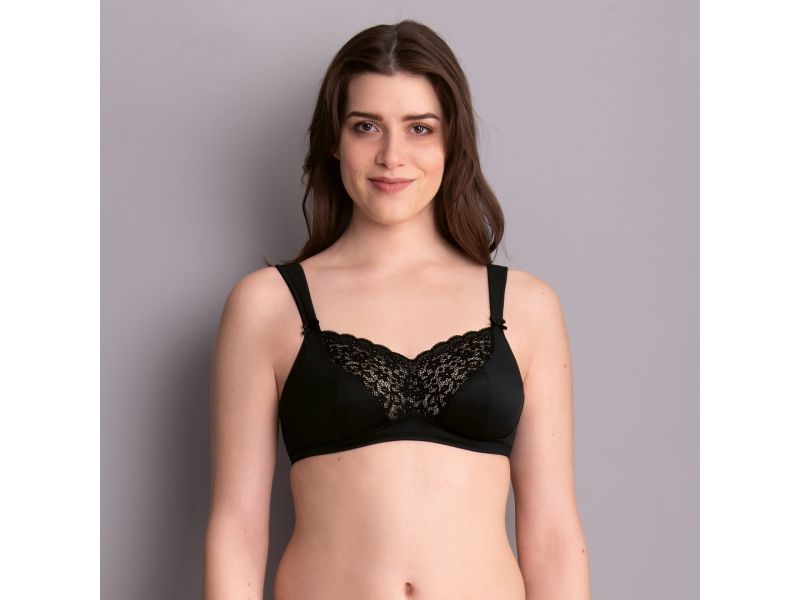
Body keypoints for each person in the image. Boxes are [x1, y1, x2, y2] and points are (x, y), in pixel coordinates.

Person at [203, 19, 590, 600]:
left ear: (452, 141)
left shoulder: (525, 306)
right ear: (334, 140)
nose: (392, 156)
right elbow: (237, 529)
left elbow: (554, 536)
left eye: (419, 128)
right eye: (366, 127)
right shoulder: (268, 305)